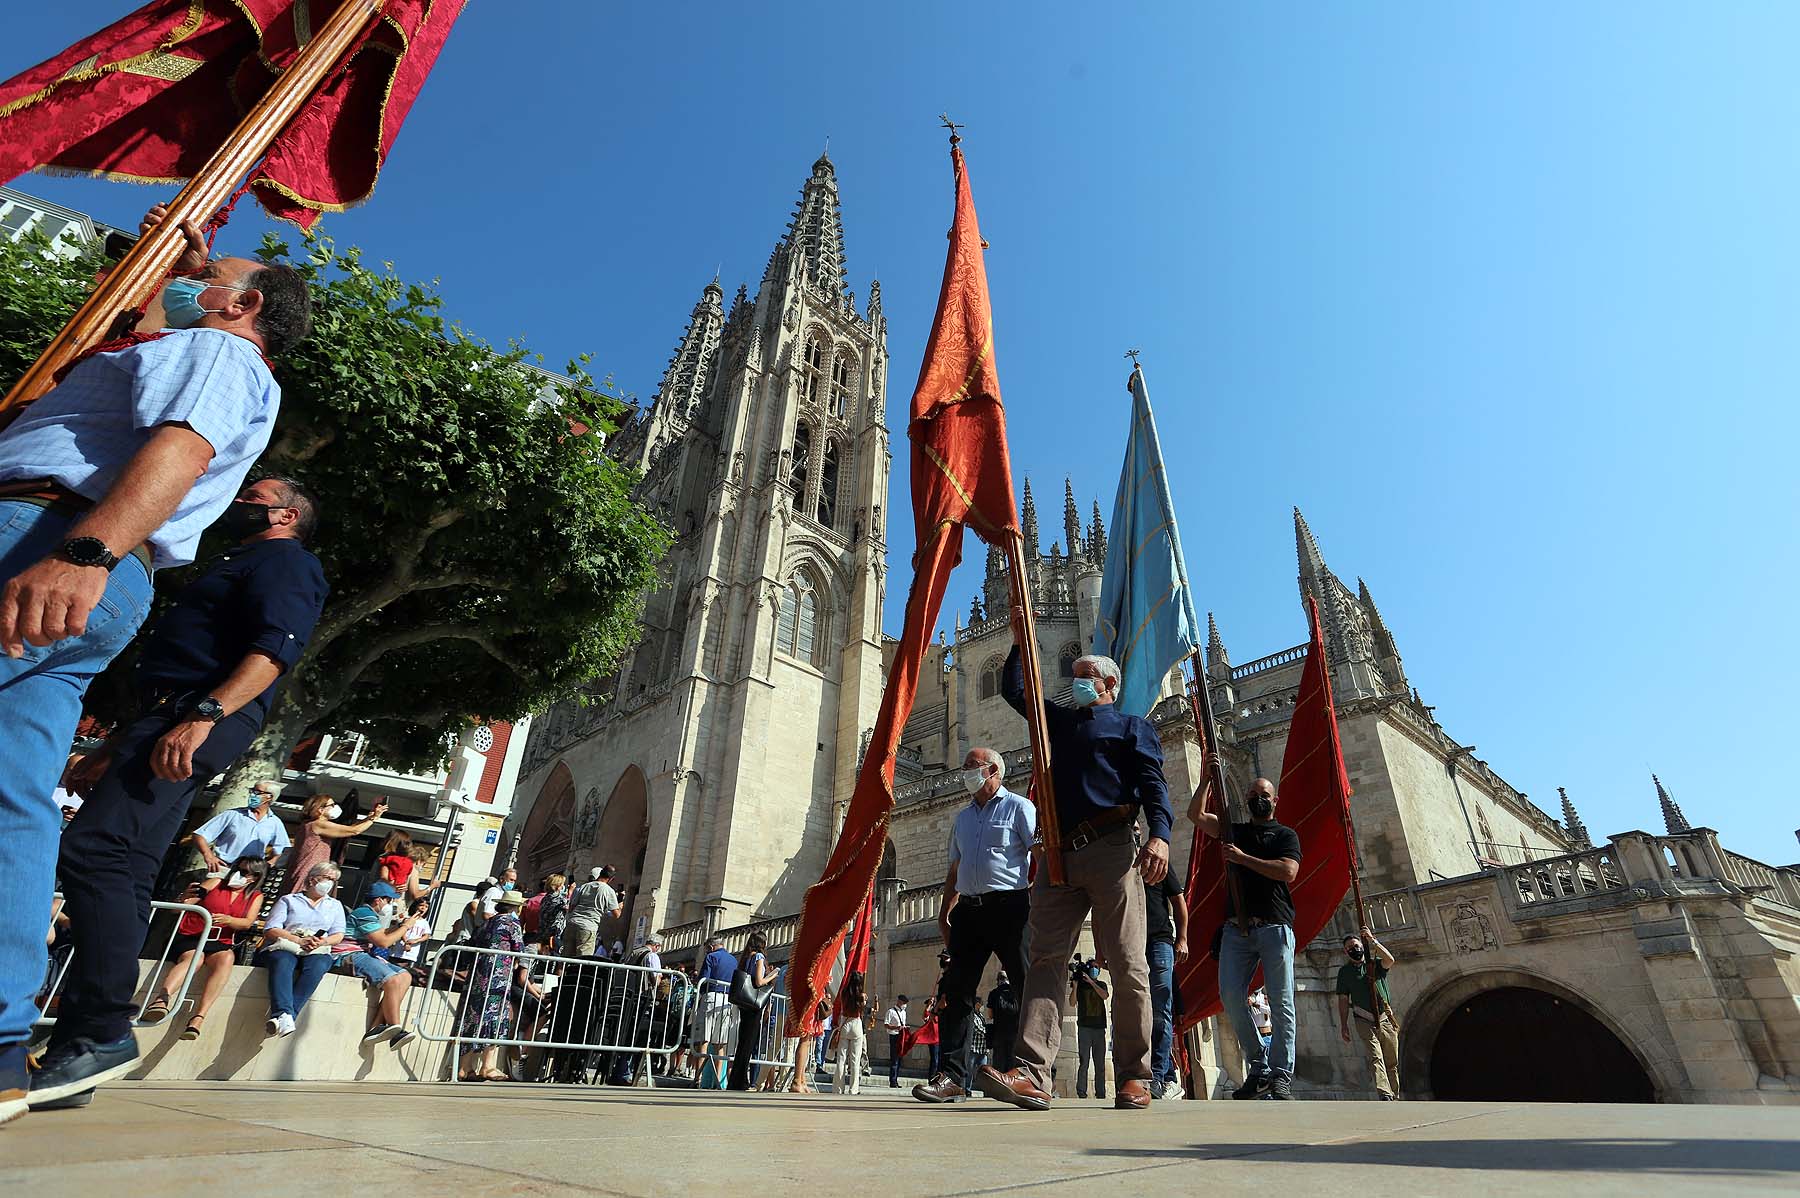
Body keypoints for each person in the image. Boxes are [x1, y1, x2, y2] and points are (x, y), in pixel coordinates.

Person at [0, 213, 312, 1124]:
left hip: (60, 538)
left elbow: (179, 440)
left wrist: (88, 553)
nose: (190, 281)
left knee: (94, 849)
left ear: (242, 302)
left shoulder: (220, 359)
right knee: (21, 804)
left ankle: (92, 1025)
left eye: (206, 274)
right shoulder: (193, 348)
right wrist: (161, 264)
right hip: (99, 579)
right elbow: (133, 354)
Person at [27, 476, 328, 1107]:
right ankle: (81, 1049)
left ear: (287, 514)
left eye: (257, 493)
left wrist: (207, 715)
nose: (241, 497)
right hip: (166, 713)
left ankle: (100, 1029)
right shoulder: (242, 559)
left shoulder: (289, 562)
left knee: (95, 849)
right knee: (131, 865)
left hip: (196, 713)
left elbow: (276, 649)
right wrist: (116, 744)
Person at [977, 641, 1173, 1113]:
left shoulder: (1132, 727)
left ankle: (1135, 1075)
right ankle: (1031, 1071)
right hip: (1058, 855)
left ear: (1109, 684)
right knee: (1045, 960)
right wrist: (1020, 639)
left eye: (1083, 674)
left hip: (1111, 847)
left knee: (1128, 964)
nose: (1074, 681)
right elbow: (1014, 691)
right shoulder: (1061, 724)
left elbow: (1153, 785)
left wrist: (1160, 835)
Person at [913, 746, 1034, 1104]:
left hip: (1011, 906)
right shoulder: (963, 818)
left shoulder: (1019, 808)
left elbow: (1037, 855)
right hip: (969, 909)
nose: (965, 772)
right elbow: (955, 868)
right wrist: (943, 911)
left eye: (971, 766)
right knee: (956, 993)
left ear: (993, 770)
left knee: (1028, 987)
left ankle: (1033, 1071)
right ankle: (952, 1078)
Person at [1190, 776, 1303, 1100]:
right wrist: (1207, 781)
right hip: (1237, 930)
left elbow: (1288, 871)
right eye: (1252, 794)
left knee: (1282, 1003)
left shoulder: (1285, 835)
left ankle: (1281, 1074)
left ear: (1274, 800)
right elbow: (1196, 816)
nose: (1257, 798)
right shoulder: (1234, 831)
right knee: (1229, 996)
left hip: (1275, 926)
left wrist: (1242, 859)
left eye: (1263, 794)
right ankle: (1260, 1067)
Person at [140, 857, 269, 1041]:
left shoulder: (255, 896)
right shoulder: (216, 883)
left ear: (257, 878)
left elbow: (247, 922)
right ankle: (162, 1000)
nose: (245, 876)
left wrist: (229, 920)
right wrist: (185, 897)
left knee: (227, 958)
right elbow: (179, 908)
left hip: (220, 940)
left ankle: (199, 1017)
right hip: (191, 935)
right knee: (196, 958)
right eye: (241, 870)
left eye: (252, 874)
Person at [258, 862, 347, 1038]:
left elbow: (338, 934)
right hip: (287, 945)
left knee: (319, 966)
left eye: (333, 880)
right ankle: (284, 1013)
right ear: (313, 878)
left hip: (316, 949)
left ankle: (286, 1016)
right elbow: (271, 929)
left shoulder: (335, 905)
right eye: (327, 878)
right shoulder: (288, 900)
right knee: (283, 961)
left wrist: (322, 942)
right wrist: (298, 939)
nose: (330, 883)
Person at [458, 888, 526, 1082]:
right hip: (499, 973)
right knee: (496, 1017)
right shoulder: (512, 922)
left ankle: (465, 1066)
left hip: (479, 971)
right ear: (515, 907)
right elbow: (519, 950)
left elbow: (474, 941)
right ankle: (488, 1066)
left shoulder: (489, 921)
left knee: (474, 1016)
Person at [341, 881, 419, 1046]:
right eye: (388, 900)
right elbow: (383, 942)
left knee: (405, 976)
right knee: (392, 980)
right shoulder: (363, 913)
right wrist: (405, 927)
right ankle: (394, 1028)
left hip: (364, 953)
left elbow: (381, 933)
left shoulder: (369, 914)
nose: (390, 904)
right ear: (378, 900)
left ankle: (376, 1028)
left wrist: (400, 925)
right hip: (349, 954)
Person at [1336, 927, 1400, 1100]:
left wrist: (1373, 941)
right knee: (1375, 1056)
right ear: (1345, 951)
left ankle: (1395, 1093)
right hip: (1363, 1019)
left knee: (1391, 1060)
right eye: (1349, 948)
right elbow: (1343, 1000)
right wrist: (1343, 1024)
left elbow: (1390, 960)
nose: (1354, 949)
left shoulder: (1375, 964)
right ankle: (1384, 1093)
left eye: (1356, 945)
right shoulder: (1344, 973)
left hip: (1385, 1018)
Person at [283, 793, 386, 894]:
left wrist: (369, 817)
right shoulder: (318, 824)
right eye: (331, 805)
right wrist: (373, 818)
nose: (335, 807)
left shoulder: (308, 825)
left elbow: (349, 829)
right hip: (308, 875)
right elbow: (354, 831)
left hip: (306, 872)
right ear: (320, 809)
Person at [1144, 869, 1190, 1099]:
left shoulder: (1158, 862)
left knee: (1160, 1011)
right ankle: (1169, 1077)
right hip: (1131, 944)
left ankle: (1158, 1077)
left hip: (1160, 941)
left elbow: (1178, 901)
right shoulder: (1117, 863)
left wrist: (1182, 938)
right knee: (1141, 1011)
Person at [187, 779, 292, 872]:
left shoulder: (275, 823)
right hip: (223, 868)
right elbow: (199, 835)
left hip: (249, 874)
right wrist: (208, 855)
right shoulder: (233, 815)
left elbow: (283, 850)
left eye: (257, 792)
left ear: (270, 797)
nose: (252, 795)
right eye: (252, 791)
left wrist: (267, 865)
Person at [727, 931, 777, 1091]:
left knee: (743, 1043)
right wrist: (772, 975)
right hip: (754, 1005)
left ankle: (737, 1079)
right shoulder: (759, 958)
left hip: (744, 1003)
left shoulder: (747, 957)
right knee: (748, 1044)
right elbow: (759, 981)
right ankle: (741, 1081)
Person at [692, 934, 737, 1073]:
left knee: (704, 1040)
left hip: (711, 996)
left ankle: (698, 1077)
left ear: (711, 947)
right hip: (727, 1000)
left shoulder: (711, 957)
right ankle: (718, 1078)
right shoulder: (734, 960)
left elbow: (704, 978)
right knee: (720, 1043)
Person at [1069, 955, 1110, 1099]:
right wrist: (1075, 987)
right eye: (1092, 967)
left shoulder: (1102, 984)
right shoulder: (1080, 985)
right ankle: (1081, 1092)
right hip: (1084, 1028)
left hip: (1099, 1029)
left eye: (1096, 967)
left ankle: (1101, 1093)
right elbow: (1072, 1003)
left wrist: (1092, 982)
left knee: (1100, 1065)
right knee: (1084, 1062)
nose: (1094, 969)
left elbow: (1104, 996)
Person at [563, 866, 622, 959]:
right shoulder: (608, 890)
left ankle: (559, 973)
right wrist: (620, 905)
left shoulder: (584, 886)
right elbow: (617, 914)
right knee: (582, 961)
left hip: (572, 923)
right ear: (611, 879)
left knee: (564, 959)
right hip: (588, 927)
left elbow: (571, 908)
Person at [834, 971, 869, 1095]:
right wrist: (864, 999)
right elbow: (862, 1008)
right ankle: (853, 1089)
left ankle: (838, 1088)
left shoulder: (844, 993)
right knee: (855, 1059)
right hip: (856, 1023)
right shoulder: (861, 995)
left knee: (841, 1059)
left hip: (845, 1022)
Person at [376, 829, 432, 900]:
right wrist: (431, 887)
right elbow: (383, 877)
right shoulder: (390, 860)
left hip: (378, 895)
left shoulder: (383, 858)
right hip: (386, 899)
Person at [985, 969, 1019, 1072]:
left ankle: (999, 1084)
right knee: (1012, 1060)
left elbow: (990, 1015)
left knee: (999, 1061)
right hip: (1014, 1032)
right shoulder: (1016, 992)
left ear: (998, 980)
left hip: (998, 1033)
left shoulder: (994, 993)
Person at [883, 994, 909, 1087]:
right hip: (894, 1035)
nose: (905, 1005)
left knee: (899, 1058)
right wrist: (897, 1027)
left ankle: (896, 1079)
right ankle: (892, 1081)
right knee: (894, 1059)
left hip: (901, 1036)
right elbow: (886, 1024)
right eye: (904, 1003)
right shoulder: (891, 1011)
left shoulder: (904, 1012)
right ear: (899, 1002)